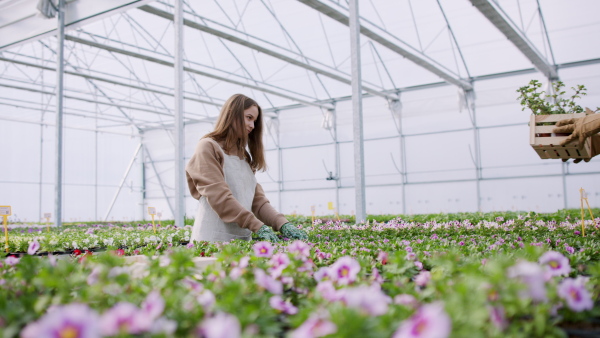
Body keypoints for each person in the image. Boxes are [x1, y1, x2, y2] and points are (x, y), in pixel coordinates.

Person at [185, 94, 308, 243]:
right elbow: (220, 197)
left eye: (254, 121)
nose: (252, 125)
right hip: (212, 239)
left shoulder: (244, 156)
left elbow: (257, 201)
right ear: (232, 114)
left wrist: (282, 224)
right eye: (248, 117)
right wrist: (258, 226)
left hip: (241, 239)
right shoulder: (208, 147)